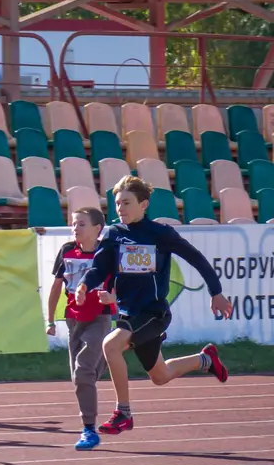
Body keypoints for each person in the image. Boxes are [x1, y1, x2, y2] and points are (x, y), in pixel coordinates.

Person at [76, 175, 233, 435]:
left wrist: (216, 292)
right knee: (160, 375)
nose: (120, 209)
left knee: (110, 345)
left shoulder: (160, 234)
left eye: (126, 203)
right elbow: (99, 267)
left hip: (154, 312)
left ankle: (122, 413)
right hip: (127, 313)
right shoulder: (114, 234)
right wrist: (84, 284)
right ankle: (205, 359)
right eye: (116, 204)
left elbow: (197, 259)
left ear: (144, 204)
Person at [45, 207, 115, 451]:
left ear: (98, 229)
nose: (75, 228)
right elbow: (55, 287)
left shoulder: (107, 253)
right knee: (79, 376)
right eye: (74, 224)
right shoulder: (66, 251)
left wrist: (112, 297)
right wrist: (50, 320)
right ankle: (106, 359)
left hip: (100, 317)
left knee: (84, 371)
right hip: (73, 319)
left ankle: (89, 429)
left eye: (81, 224)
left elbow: (121, 284)